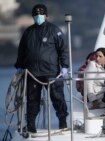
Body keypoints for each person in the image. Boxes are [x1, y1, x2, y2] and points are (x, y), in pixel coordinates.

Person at [14, 4, 69, 133]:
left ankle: (63, 122)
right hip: (32, 73)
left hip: (52, 72)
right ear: (33, 16)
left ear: (46, 15)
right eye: (36, 14)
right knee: (32, 101)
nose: (38, 16)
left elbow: (63, 50)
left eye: (41, 14)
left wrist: (65, 66)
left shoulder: (54, 30)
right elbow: (22, 51)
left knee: (58, 98)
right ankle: (31, 126)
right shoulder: (28, 32)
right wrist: (19, 66)